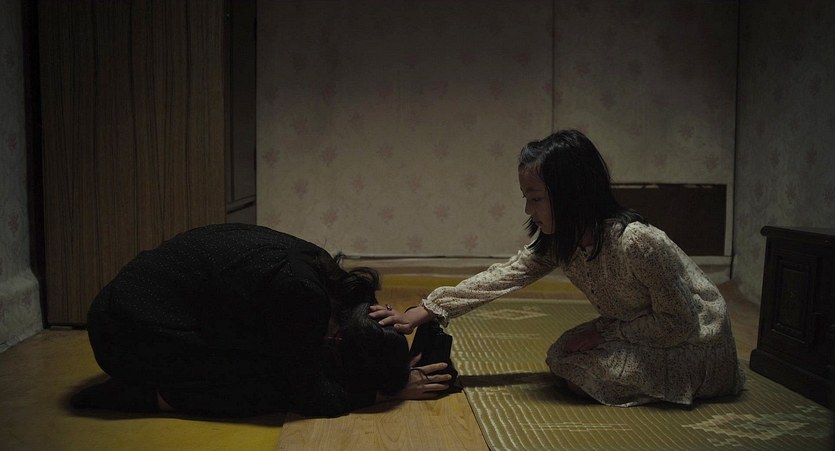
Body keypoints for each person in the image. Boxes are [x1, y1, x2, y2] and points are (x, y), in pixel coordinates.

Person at [372, 129, 746, 407]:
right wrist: (427, 309)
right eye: (527, 197)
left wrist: (606, 333)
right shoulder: (561, 242)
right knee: (563, 356)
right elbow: (504, 276)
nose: (528, 209)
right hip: (638, 325)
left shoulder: (637, 241)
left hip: (694, 338)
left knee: (579, 379)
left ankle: (699, 380)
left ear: (571, 194)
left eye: (535, 198)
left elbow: (680, 322)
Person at [71, 223, 451, 418]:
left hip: (134, 309)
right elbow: (313, 397)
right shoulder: (302, 295)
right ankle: (150, 397)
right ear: (336, 342)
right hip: (122, 335)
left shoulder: (326, 279)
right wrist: (382, 394)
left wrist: (383, 344)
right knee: (272, 385)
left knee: (285, 362)